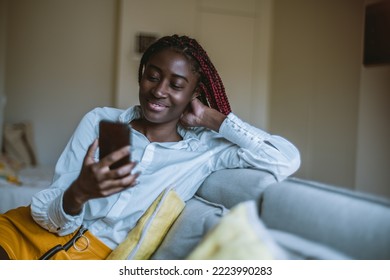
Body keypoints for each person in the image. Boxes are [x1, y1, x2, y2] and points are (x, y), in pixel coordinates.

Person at [0, 34, 300, 260]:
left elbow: (283, 160)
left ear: (195, 92)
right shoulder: (100, 120)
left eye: (176, 85)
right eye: (152, 77)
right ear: (141, 74)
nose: (158, 90)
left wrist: (212, 118)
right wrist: (79, 192)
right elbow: (51, 208)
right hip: (23, 231)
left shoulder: (206, 151)